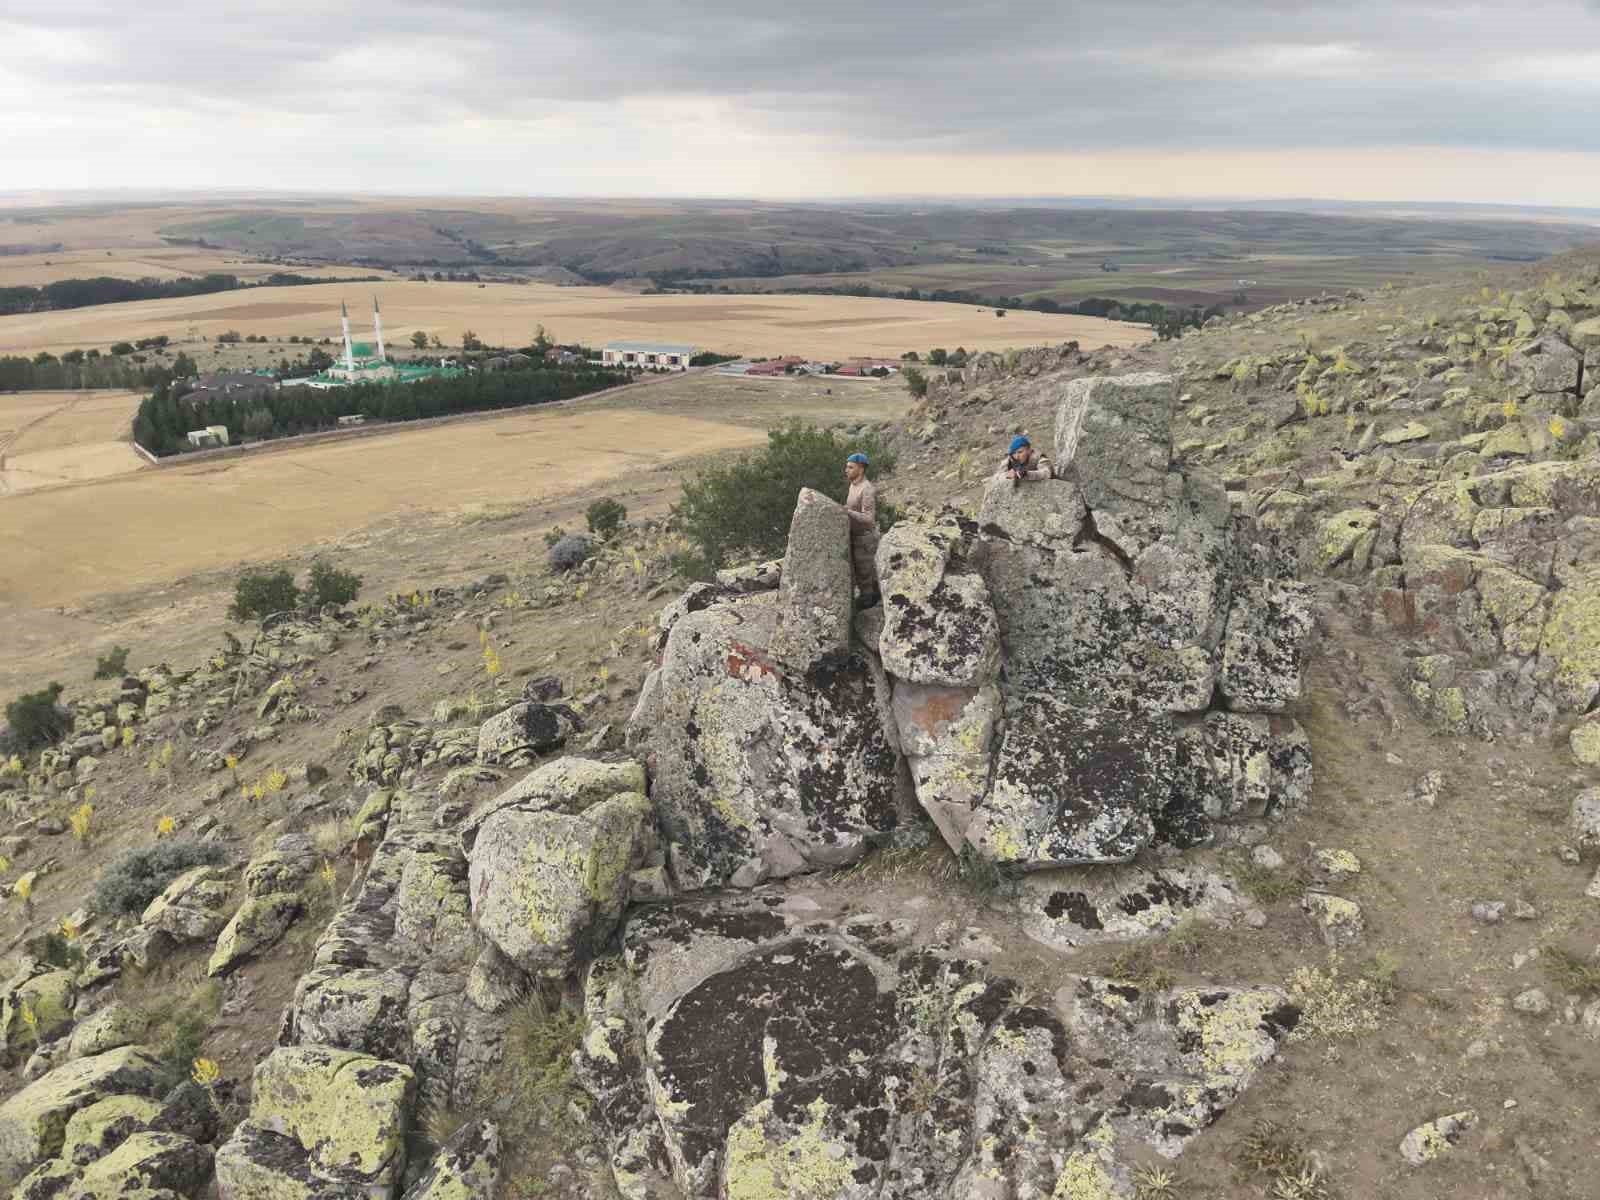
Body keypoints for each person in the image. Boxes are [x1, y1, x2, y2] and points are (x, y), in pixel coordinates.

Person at [844, 452, 881, 609]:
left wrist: (847, 512)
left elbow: (869, 519)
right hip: (854, 536)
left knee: (866, 573)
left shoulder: (867, 489)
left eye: (850, 467)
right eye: (847, 467)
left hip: (865, 539)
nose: (846, 470)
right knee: (859, 574)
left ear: (861, 469)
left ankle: (869, 606)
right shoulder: (853, 485)